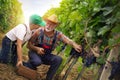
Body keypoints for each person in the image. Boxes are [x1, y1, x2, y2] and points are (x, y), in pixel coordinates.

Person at [26, 14, 82, 80]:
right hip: (35, 53)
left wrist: (74, 44)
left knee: (58, 59)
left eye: (51, 24)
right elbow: (28, 45)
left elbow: (67, 40)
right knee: (37, 62)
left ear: (55, 26)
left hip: (45, 55)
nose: (48, 26)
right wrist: (37, 49)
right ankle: (28, 65)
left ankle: (48, 78)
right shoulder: (38, 31)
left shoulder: (58, 34)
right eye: (48, 23)